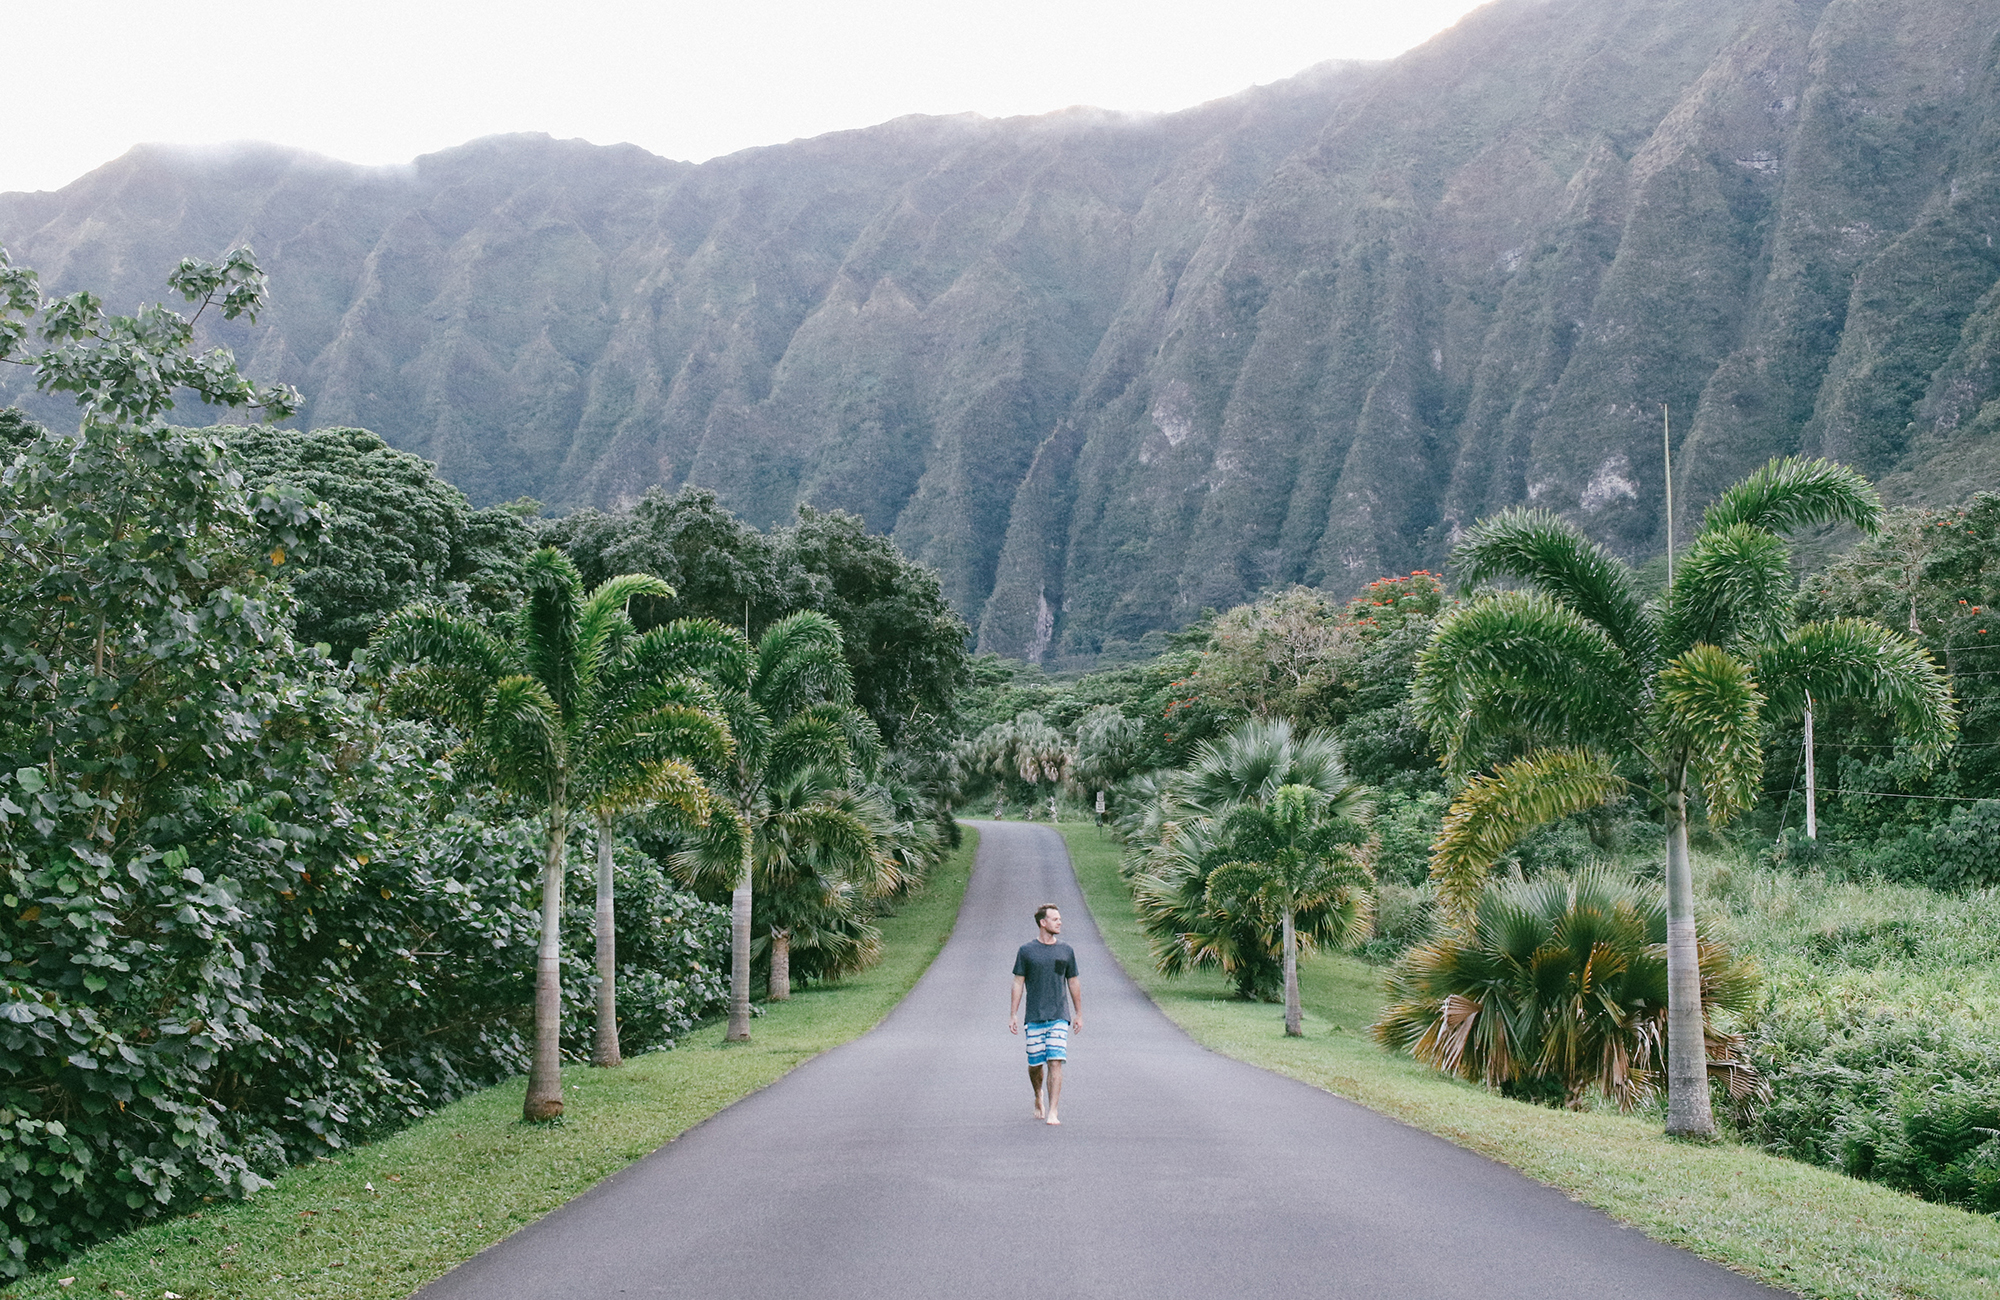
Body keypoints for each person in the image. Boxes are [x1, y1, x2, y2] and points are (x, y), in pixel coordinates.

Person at [1008, 903, 1082, 1125]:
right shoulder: (1026, 951)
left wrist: (1078, 1013)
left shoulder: (1066, 951)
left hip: (1059, 1014)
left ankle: (1053, 1110)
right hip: (1035, 1016)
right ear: (1043, 922)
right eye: (1055, 919)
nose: (1059, 922)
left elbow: (1073, 981)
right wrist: (1013, 1014)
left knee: (1056, 1061)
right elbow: (1018, 983)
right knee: (1035, 1064)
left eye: (1059, 919)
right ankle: (1038, 1095)